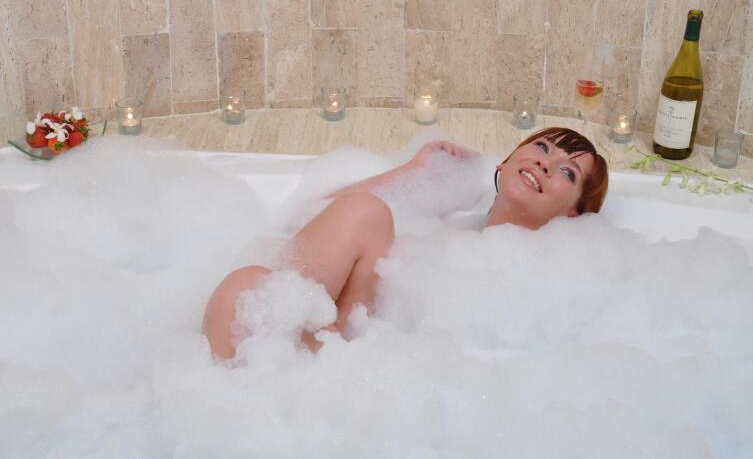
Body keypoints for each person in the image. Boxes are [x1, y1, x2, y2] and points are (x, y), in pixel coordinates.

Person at [203, 127, 609, 359]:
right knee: (362, 214)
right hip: (350, 360)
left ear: (573, 215)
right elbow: (304, 219)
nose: (544, 163)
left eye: (567, 172)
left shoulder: (546, 286)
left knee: (242, 294)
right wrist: (413, 172)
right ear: (504, 163)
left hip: (394, 386)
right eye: (541, 148)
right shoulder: (445, 223)